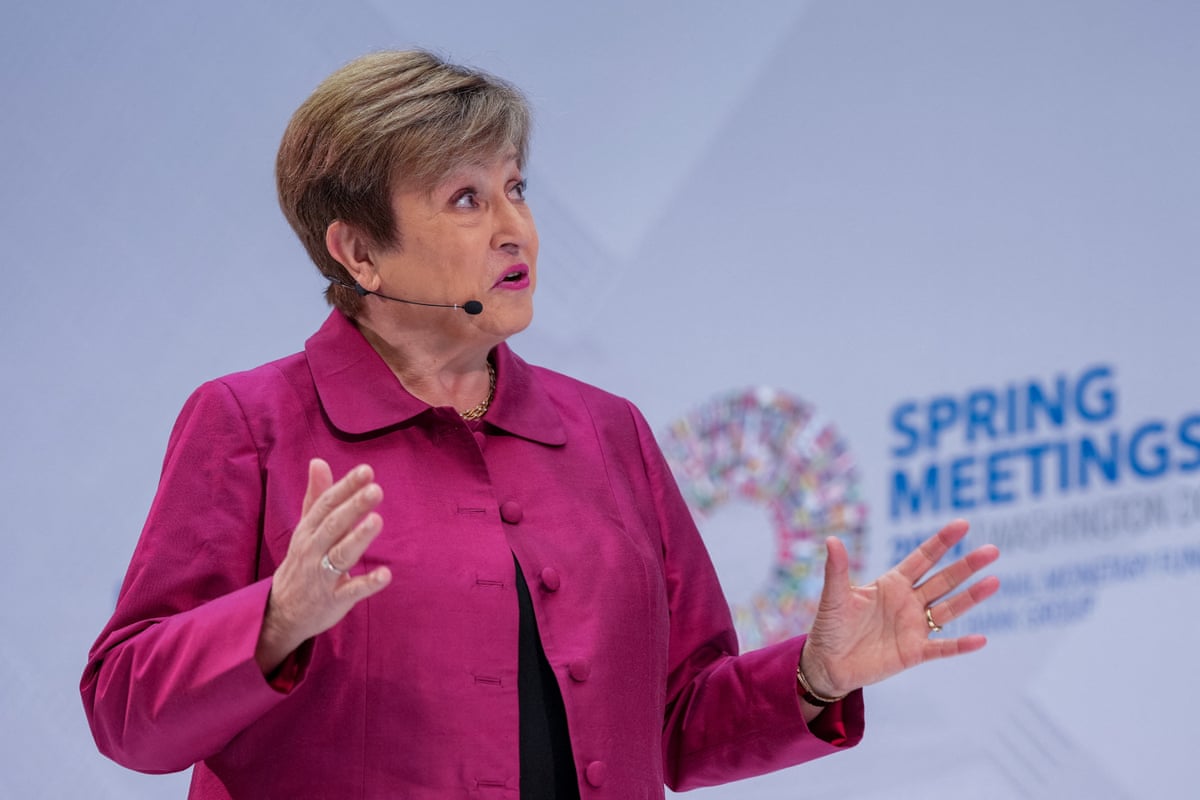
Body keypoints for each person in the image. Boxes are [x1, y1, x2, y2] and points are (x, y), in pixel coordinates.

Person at [81, 50, 1000, 799]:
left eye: (516, 188)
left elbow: (675, 727)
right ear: (359, 250)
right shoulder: (251, 423)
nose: (517, 227)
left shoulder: (608, 434)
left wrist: (815, 676)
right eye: (466, 200)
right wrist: (273, 622)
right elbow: (125, 715)